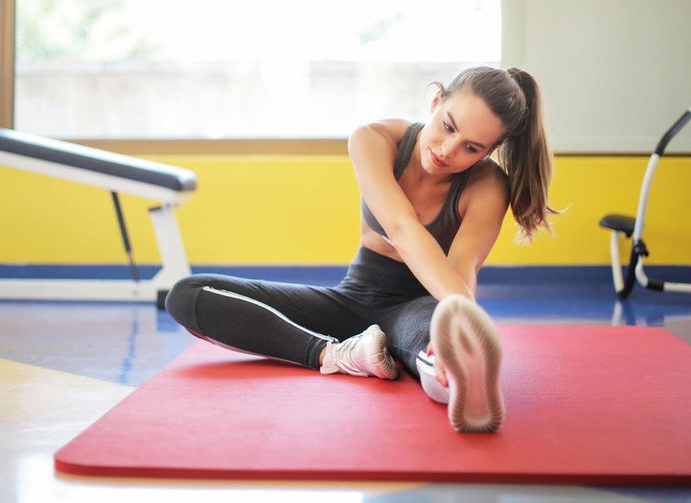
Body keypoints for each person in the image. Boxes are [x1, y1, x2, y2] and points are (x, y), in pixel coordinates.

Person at [165, 66, 557, 433]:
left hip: (421, 306)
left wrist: (456, 324)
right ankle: (336, 354)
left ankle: (459, 377)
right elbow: (401, 227)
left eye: (471, 147)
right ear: (435, 101)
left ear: (488, 152)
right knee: (187, 295)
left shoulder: (488, 185)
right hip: (352, 298)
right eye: (447, 127)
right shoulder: (374, 139)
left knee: (440, 354)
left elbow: (462, 267)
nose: (448, 149)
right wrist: (461, 310)